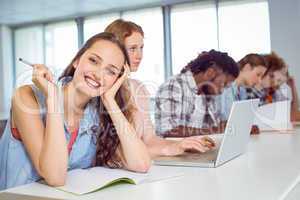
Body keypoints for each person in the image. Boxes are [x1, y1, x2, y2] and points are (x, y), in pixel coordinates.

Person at [0, 32, 152, 190]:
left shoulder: (98, 114)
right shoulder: (26, 97)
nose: (98, 74)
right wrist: (53, 97)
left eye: (111, 72)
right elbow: (55, 176)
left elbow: (141, 164)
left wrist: (109, 99)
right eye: (94, 61)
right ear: (76, 60)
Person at [105, 19, 216, 157]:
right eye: (132, 48)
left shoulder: (138, 88)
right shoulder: (102, 90)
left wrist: (180, 145)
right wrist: (171, 149)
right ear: (115, 49)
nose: (139, 55)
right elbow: (115, 152)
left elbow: (150, 140)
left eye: (141, 48)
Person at [155, 49, 239, 137]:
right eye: (223, 84)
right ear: (210, 73)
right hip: (176, 150)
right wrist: (216, 130)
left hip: (200, 149)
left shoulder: (206, 94)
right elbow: (169, 130)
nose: (222, 91)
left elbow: (212, 129)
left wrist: (234, 126)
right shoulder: (175, 85)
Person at [254, 52, 300, 121]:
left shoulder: (275, 93)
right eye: (271, 76)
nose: (274, 83)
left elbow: (293, 116)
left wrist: (293, 87)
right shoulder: (252, 91)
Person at [221, 53, 267, 120]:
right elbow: (226, 119)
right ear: (247, 67)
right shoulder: (225, 87)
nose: (259, 81)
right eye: (258, 74)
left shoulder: (242, 90)